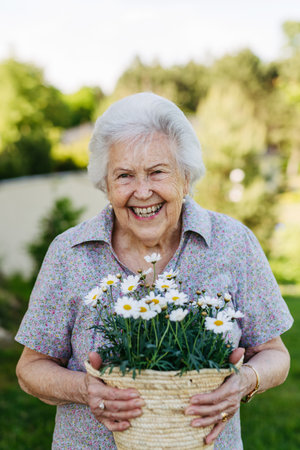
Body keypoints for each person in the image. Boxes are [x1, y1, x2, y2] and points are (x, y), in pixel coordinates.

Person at [16, 92, 293, 450]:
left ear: (186, 178)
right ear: (106, 185)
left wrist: (245, 381)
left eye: (158, 172)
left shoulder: (233, 243)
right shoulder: (70, 253)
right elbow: (30, 367)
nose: (142, 191)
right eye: (125, 176)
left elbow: (276, 354)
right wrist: (85, 390)